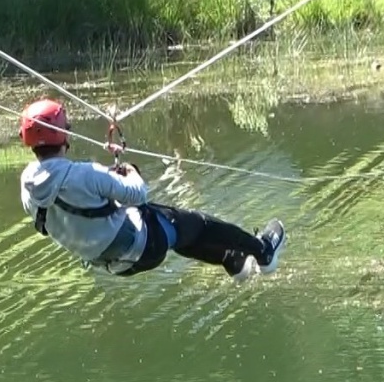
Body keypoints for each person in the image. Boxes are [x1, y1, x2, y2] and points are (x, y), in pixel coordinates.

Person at [17, 99, 285, 280]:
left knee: (180, 233)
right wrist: (130, 171)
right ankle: (263, 251)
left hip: (114, 264)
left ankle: (233, 262)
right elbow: (137, 193)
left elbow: (79, 197)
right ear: (64, 135)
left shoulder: (27, 187)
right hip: (142, 245)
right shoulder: (84, 173)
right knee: (198, 224)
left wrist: (110, 176)